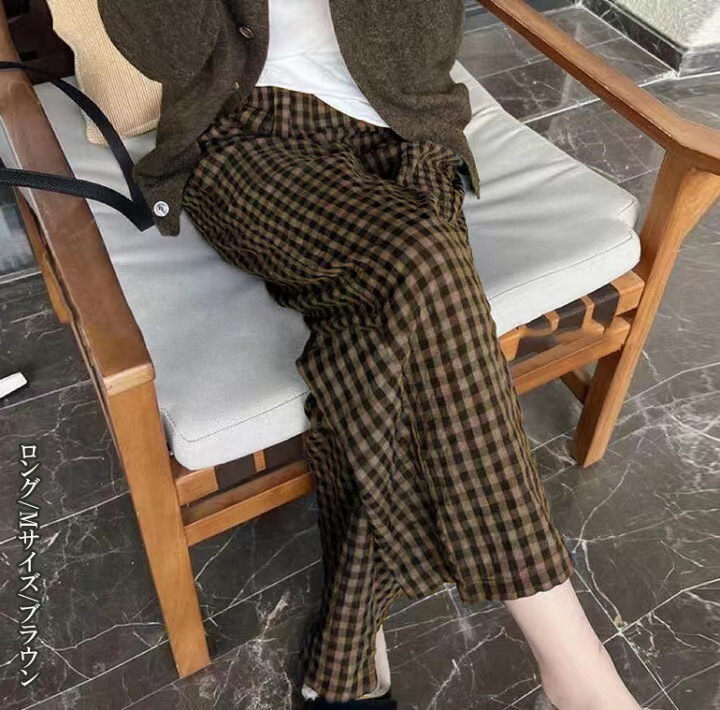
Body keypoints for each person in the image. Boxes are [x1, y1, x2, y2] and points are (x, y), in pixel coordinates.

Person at [99, 1, 643, 708]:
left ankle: (351, 644)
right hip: (244, 140)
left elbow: (423, 41)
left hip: (405, 132)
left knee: (387, 330)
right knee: (421, 262)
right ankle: (577, 669)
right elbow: (168, 54)